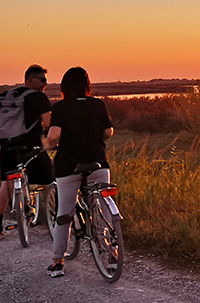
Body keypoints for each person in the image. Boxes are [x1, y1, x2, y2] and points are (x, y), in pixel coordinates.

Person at [44, 67, 114, 278]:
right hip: (98, 164)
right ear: (87, 85)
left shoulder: (61, 107)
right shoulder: (97, 104)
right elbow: (108, 132)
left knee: (64, 215)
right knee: (102, 209)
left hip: (69, 166)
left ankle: (58, 263)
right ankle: (112, 254)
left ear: (65, 86)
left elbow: (54, 135)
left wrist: (48, 145)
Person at [0, 65, 55, 242]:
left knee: (6, 186)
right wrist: (48, 139)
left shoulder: (7, 95)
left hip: (7, 148)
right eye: (42, 79)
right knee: (51, 182)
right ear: (30, 79)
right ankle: (55, 221)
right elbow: (48, 123)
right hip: (31, 148)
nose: (45, 83)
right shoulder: (38, 97)